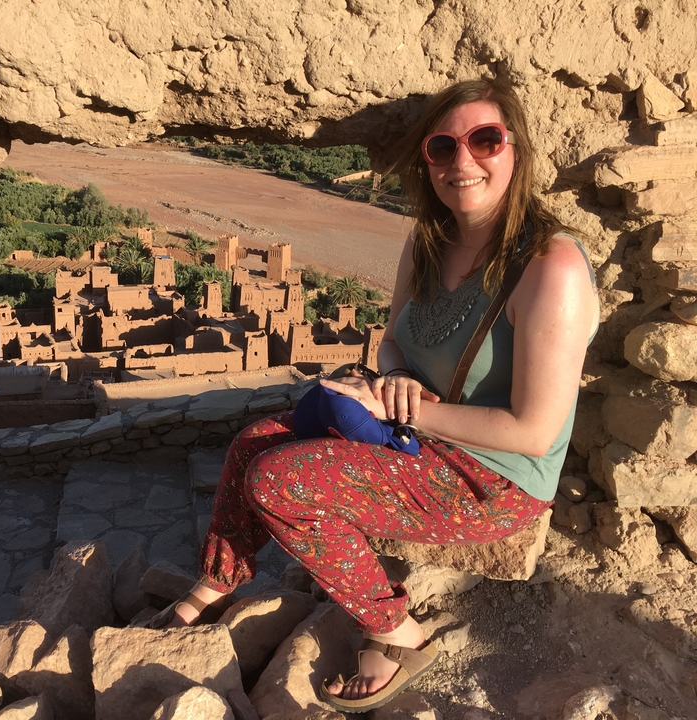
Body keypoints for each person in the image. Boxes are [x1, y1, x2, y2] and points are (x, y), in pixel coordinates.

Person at [148, 78, 600, 712]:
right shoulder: (429, 239)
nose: (462, 162)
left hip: (493, 478)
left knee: (282, 481)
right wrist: (392, 378)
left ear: (517, 152)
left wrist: (410, 407)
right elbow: (391, 343)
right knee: (255, 441)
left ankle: (397, 631)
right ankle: (216, 584)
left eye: (485, 141)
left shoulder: (551, 268)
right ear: (426, 160)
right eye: (442, 147)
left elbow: (531, 431)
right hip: (417, 438)